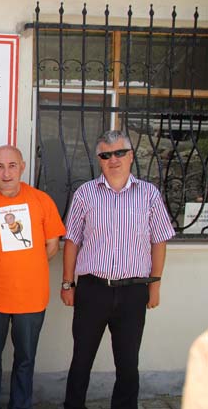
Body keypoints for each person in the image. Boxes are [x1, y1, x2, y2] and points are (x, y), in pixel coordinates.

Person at [61, 130, 175, 409]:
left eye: (119, 153)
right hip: (92, 289)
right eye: (106, 155)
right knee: (81, 359)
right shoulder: (85, 194)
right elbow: (72, 241)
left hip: (133, 291)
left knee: (128, 363)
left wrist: (155, 285)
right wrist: (67, 283)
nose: (113, 159)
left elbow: (159, 241)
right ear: (99, 159)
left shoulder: (148, 194)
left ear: (131, 156)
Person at [0, 145, 65, 409]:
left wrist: (27, 265)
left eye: (12, 166)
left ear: (22, 167)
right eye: (0, 166)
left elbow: (52, 245)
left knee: (25, 361)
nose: (6, 173)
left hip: (31, 300)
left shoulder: (42, 201)